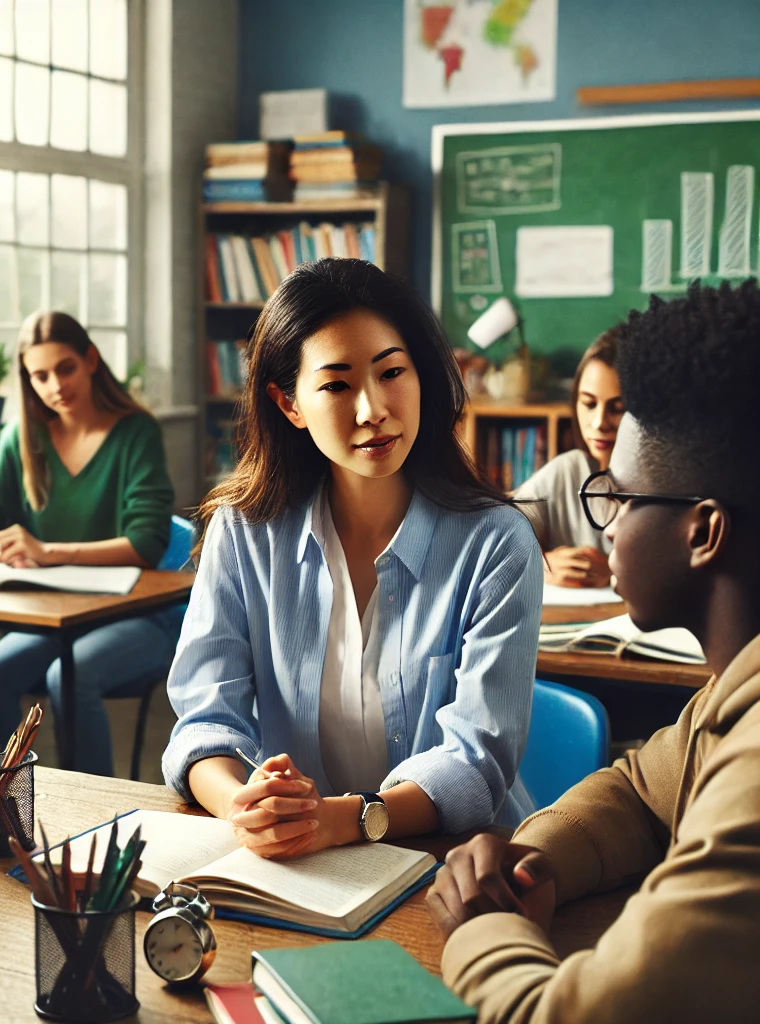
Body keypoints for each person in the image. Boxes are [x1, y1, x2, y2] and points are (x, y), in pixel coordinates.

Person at [428, 280, 760, 1023]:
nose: (605, 525)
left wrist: (480, 926)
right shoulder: (732, 692)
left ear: (703, 532)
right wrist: (532, 860)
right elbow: (642, 792)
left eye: (621, 497)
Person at [162, 259, 542, 860]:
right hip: (298, 866)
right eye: (337, 386)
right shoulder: (243, 531)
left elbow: (476, 761)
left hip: (454, 865)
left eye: (392, 372)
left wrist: (341, 820)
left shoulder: (497, 542)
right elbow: (206, 721)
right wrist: (245, 805)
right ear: (289, 404)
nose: (373, 409)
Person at [0, 310, 176, 776]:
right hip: (57, 614)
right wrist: (1, 553)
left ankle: (95, 810)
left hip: (139, 614)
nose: (56, 386)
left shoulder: (136, 432)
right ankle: (4, 807)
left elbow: (146, 543)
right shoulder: (23, 437)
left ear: (91, 360)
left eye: (66, 368)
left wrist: (48, 553)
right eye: (41, 376)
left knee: (70, 676)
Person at [514, 330, 624, 588]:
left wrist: (613, 572)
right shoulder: (567, 471)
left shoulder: (664, 485)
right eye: (589, 404)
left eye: (618, 408)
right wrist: (540, 563)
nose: (599, 423)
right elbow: (495, 539)